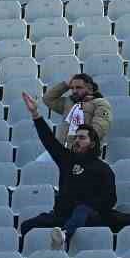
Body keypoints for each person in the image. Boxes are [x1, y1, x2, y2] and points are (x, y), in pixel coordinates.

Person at [18, 92, 116, 249]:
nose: (77, 140)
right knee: (27, 226)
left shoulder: (103, 169)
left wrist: (89, 205)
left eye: (82, 138)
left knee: (81, 210)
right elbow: (49, 141)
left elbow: (111, 199)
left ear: (92, 143)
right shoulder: (67, 160)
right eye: (76, 137)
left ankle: (64, 235)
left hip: (89, 216)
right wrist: (35, 114)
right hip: (63, 215)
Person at [39, 73, 112, 158]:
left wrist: (79, 147)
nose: (74, 91)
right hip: (61, 150)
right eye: (72, 88)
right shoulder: (69, 102)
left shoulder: (101, 103)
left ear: (90, 88)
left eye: (78, 87)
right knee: (38, 163)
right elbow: (47, 99)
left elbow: (98, 129)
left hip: (84, 153)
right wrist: (65, 85)